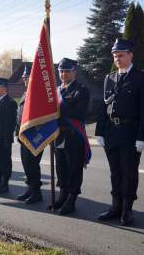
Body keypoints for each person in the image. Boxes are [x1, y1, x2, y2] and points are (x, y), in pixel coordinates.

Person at [95, 38, 144, 225]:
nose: (117, 58)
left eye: (121, 55)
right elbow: (104, 106)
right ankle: (115, 207)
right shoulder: (109, 78)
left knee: (129, 172)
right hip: (111, 131)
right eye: (115, 56)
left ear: (131, 55)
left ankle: (127, 210)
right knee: (115, 173)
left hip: (130, 132)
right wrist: (100, 131)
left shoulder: (142, 77)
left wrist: (142, 137)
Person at [53, 58, 90, 215]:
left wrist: (60, 106)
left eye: (67, 71)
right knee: (61, 167)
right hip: (58, 134)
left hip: (73, 134)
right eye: (61, 71)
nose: (63, 74)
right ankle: (63, 194)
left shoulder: (81, 90)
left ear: (74, 72)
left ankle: (72, 199)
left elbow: (80, 113)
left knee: (74, 168)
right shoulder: (56, 90)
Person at [16, 66, 43, 204]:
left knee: (33, 164)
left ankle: (36, 192)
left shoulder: (38, 94)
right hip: (24, 136)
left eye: (27, 77)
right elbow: (20, 115)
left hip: (35, 136)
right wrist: (17, 132)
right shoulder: (25, 93)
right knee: (26, 164)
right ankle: (30, 188)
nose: (25, 79)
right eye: (24, 77)